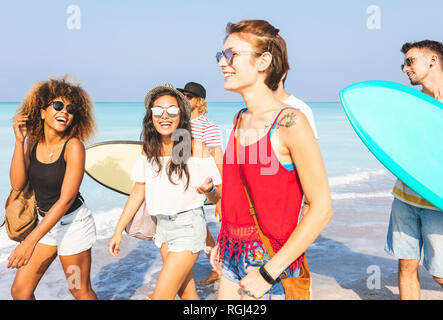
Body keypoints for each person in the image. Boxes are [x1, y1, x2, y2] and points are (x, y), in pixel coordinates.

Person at [210, 20, 333, 300]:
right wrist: (223, 240)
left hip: (269, 265)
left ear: (263, 61)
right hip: (230, 257)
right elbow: (239, 193)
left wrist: (268, 273)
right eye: (220, 55)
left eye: (231, 55)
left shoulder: (291, 122)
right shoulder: (241, 118)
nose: (222, 63)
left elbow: (322, 208)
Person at [108, 83, 221, 300]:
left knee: (160, 297)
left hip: (188, 227)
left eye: (172, 110)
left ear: (182, 115)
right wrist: (118, 230)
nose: (165, 116)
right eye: (158, 110)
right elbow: (138, 191)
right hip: (163, 230)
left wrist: (210, 190)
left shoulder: (195, 147)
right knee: (187, 295)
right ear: (151, 116)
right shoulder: (148, 149)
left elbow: (216, 195)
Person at [8, 75, 98, 300]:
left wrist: (30, 242)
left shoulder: (74, 146)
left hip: (72, 225)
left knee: (78, 289)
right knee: (20, 292)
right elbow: (18, 184)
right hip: (45, 224)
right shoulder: (32, 142)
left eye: (70, 108)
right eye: (57, 105)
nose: (64, 111)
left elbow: (66, 199)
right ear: (42, 112)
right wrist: (19, 141)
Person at [385, 40, 443, 299]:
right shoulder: (410, 102)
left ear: (432, 61)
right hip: (404, 197)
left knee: (442, 274)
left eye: (410, 61)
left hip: (438, 201)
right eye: (404, 63)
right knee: (406, 266)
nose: (405, 69)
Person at [177, 81, 223, 285]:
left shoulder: (208, 126)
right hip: (178, 185)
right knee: (197, 229)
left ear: (200, 101)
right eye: (183, 95)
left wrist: (220, 196)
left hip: (198, 188)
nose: (185, 99)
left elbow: (218, 160)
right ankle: (217, 267)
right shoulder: (176, 121)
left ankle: (217, 268)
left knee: (200, 228)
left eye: (189, 96)